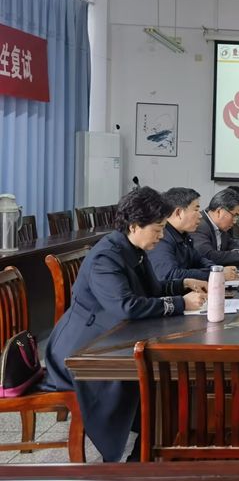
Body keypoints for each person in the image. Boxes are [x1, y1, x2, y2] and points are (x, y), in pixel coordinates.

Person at [42, 187, 207, 462]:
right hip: (84, 352)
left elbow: (152, 289)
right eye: (157, 229)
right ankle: (141, 456)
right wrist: (181, 303)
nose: (161, 235)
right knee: (157, 379)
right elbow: (127, 306)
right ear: (134, 226)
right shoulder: (106, 257)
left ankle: (152, 446)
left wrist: (184, 284)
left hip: (112, 337)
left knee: (165, 378)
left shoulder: (133, 248)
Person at [149, 187, 239, 282]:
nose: (200, 216)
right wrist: (213, 274)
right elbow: (170, 275)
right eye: (196, 210)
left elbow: (199, 260)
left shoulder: (183, 235)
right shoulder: (161, 238)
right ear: (179, 213)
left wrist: (217, 269)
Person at [191, 188, 239, 265]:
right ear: (219, 211)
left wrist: (238, 248)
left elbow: (230, 243)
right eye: (234, 215)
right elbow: (207, 256)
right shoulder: (199, 225)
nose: (235, 221)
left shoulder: (220, 226)